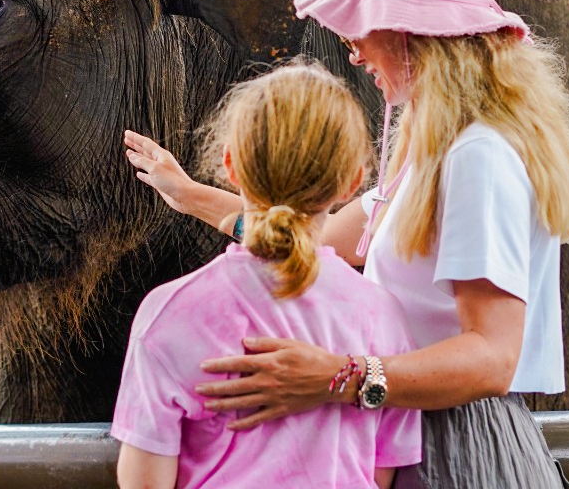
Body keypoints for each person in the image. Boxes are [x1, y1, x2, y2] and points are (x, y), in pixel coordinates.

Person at [125, 0, 569, 488]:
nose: (351, 51)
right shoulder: (438, 157)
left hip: (456, 443)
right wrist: (188, 194)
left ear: (406, 30)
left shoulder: (477, 158)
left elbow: (493, 359)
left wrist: (336, 377)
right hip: (421, 432)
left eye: (357, 29)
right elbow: (305, 234)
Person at [113, 61, 423, 489]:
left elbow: (144, 483)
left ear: (230, 165)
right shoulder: (383, 315)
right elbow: (381, 471)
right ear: (353, 182)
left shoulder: (169, 312)